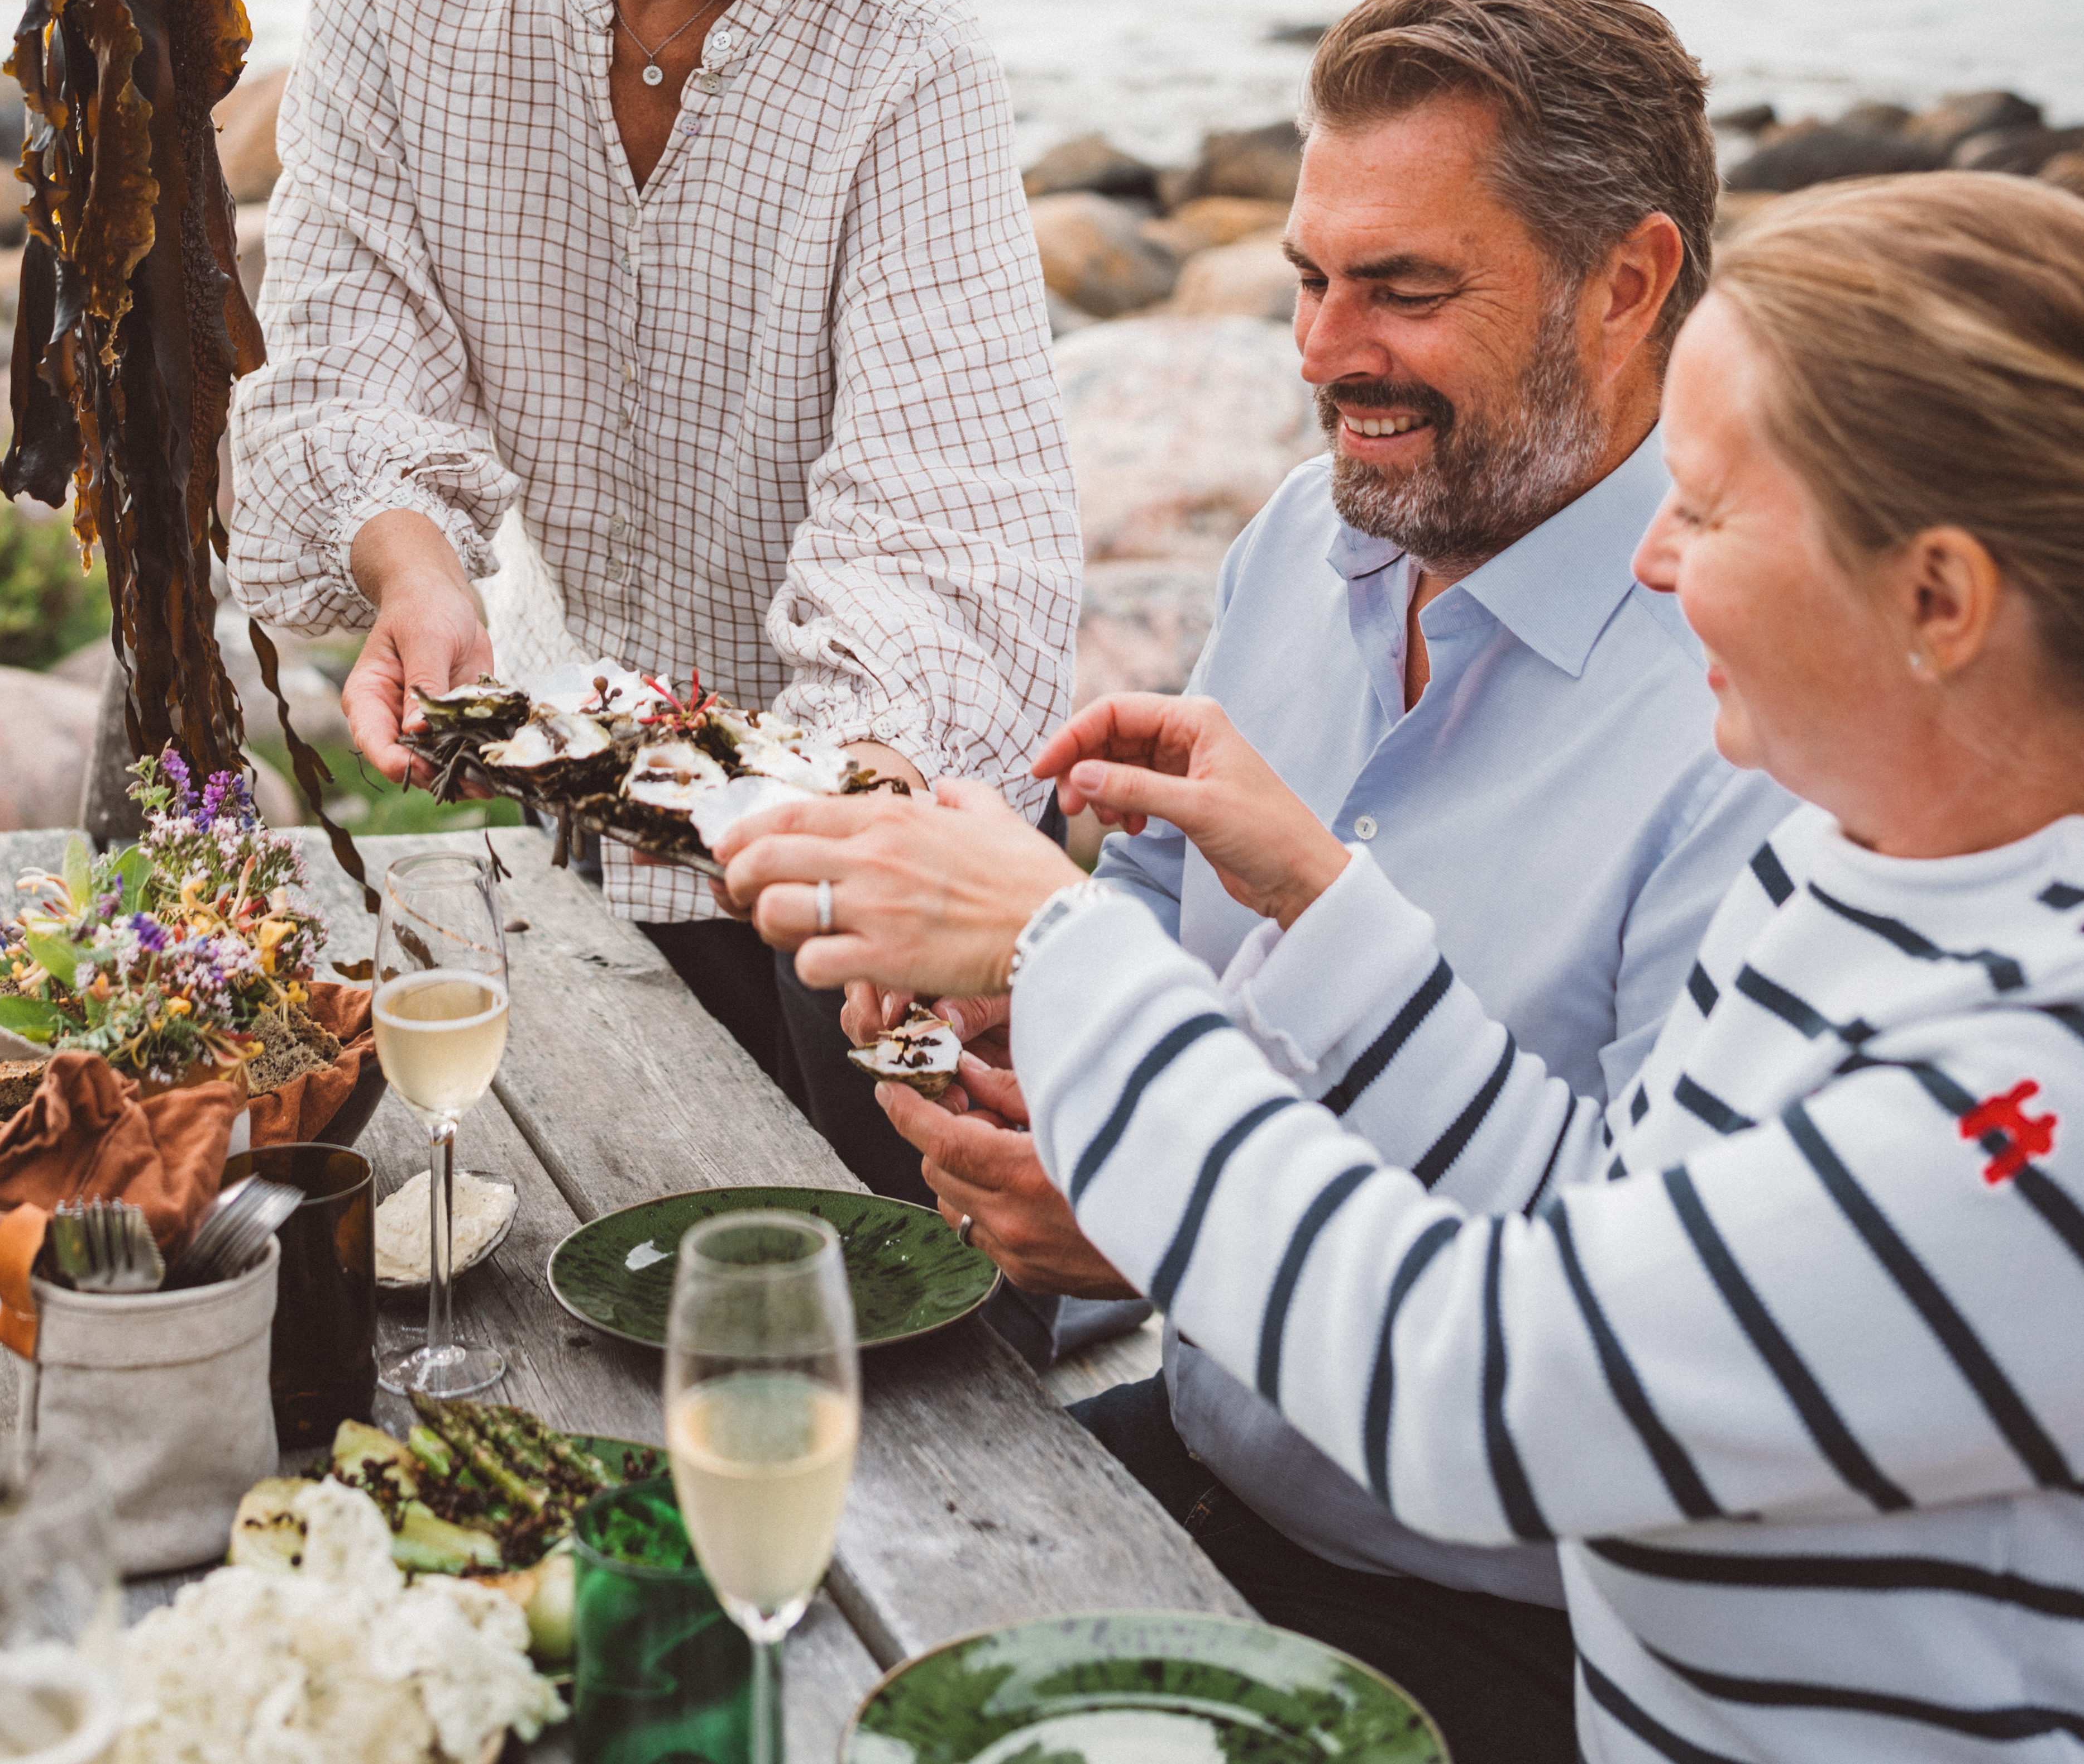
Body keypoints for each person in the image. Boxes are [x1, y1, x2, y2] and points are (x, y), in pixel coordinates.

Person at [722, 170, 2084, 1764]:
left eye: (1705, 513)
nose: (1649, 563)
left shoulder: (2028, 1087)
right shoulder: (1862, 865)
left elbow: (1485, 1389)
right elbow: (1586, 1216)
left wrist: (1064, 943)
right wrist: (1321, 899)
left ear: (1937, 599)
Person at [842, 0, 1790, 1764]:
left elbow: (1637, 1308)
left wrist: (1163, 1217)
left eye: (1405, 290)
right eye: (1306, 279)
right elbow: (1160, 910)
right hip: (1200, 1469)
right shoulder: (1308, 533)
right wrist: (1023, 1016)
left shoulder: (1753, 710)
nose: (1321, 348)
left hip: (1519, 1641)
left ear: (1632, 282)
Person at [228, 0, 1079, 1174]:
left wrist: (818, 812)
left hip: (868, 862)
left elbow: (949, 525)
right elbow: (341, 349)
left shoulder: (908, 59)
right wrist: (410, 567)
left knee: (914, 1340)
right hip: (561, 822)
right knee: (576, 1282)